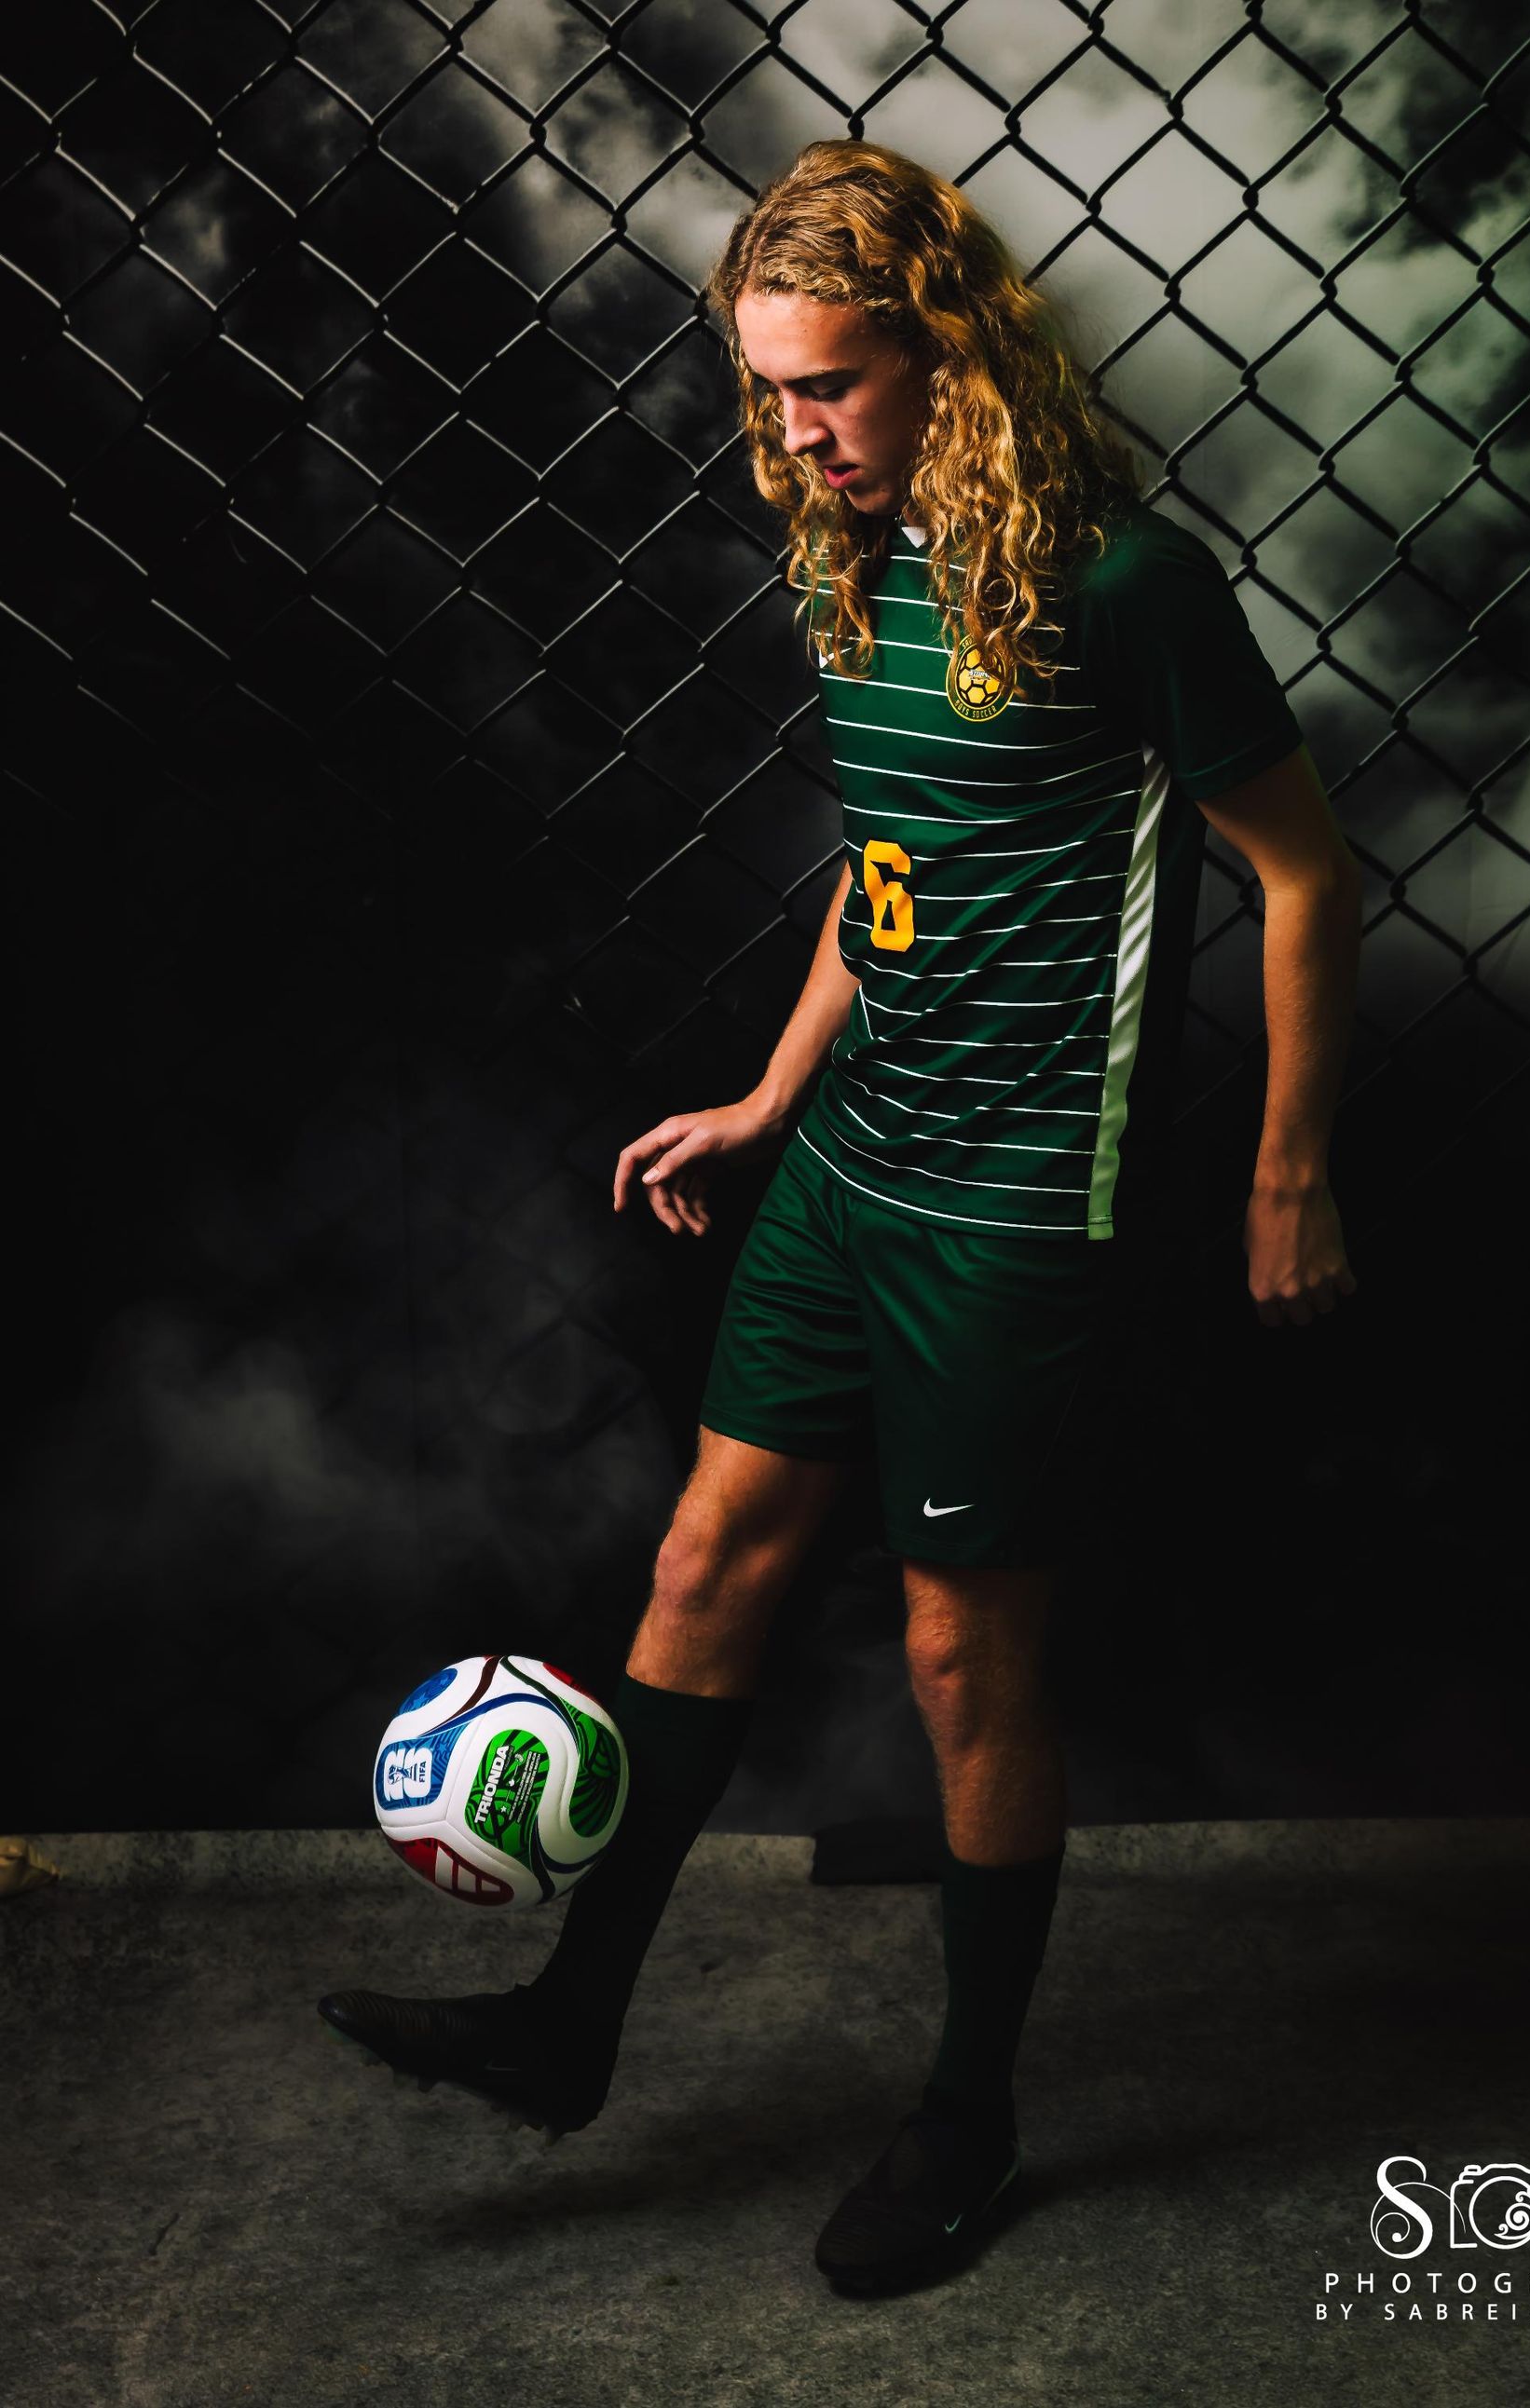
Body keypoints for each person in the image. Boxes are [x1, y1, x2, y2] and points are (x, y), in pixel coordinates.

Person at [319, 139, 1360, 2297]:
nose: (793, 433)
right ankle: (568, 2028)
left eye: (833, 388)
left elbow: (1302, 875)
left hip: (1013, 1208)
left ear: (949, 353)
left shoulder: (1127, 582)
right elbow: (887, 868)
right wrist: (772, 1097)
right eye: (767, 391)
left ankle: (969, 2124)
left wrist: (1285, 1168)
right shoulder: (842, 553)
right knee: (704, 1557)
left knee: (964, 1656)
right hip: (851, 1164)